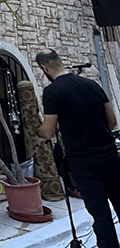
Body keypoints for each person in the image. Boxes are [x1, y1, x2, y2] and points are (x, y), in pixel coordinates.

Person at [36, 49, 120, 248]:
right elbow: (112, 121)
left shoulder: (52, 92)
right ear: (60, 61)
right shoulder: (93, 85)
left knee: (101, 215)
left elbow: (48, 131)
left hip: (83, 163)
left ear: (44, 68)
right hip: (109, 156)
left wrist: (39, 130)